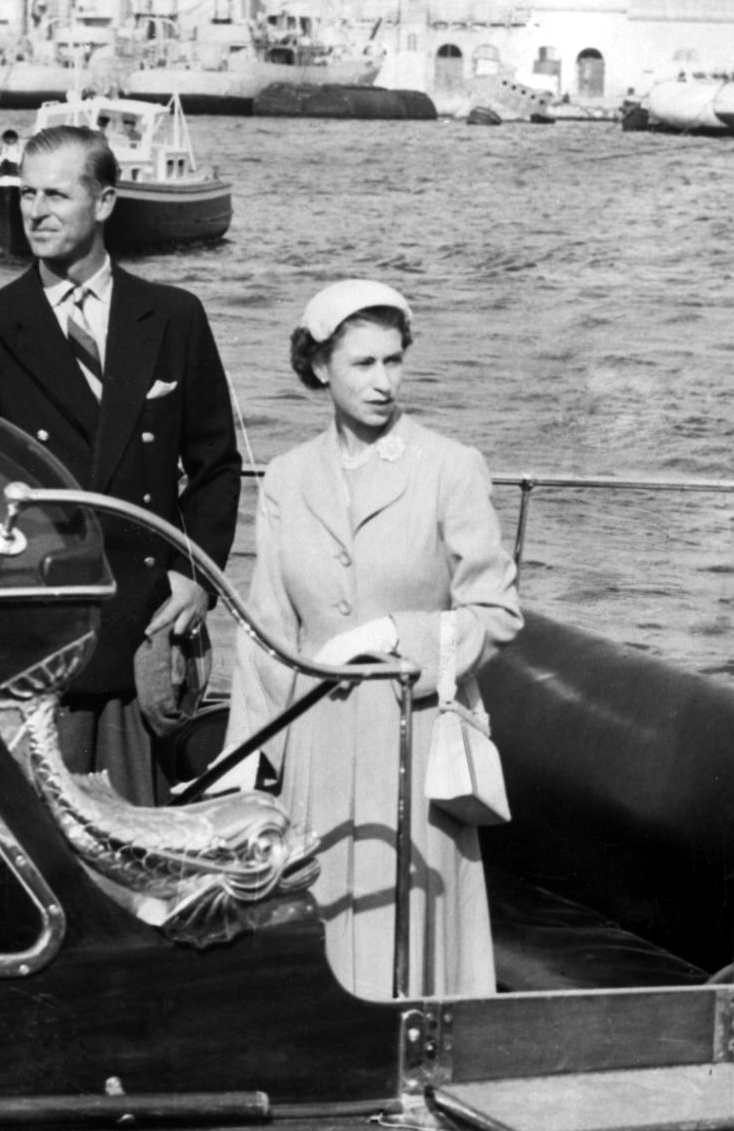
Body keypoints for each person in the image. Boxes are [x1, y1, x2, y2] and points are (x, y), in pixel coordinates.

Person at [221, 279, 522, 1002]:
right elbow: (267, 633)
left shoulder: (450, 467)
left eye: (394, 360)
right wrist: (243, 760)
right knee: (324, 924)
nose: (384, 382)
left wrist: (400, 634)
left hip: (413, 746)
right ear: (320, 367)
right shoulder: (288, 478)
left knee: (409, 942)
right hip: (316, 748)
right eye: (363, 364)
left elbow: (498, 612)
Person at [0, 124, 241, 806]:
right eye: (26, 195)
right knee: (38, 841)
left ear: (103, 201)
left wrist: (196, 578)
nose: (36, 211)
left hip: (144, 635)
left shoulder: (173, 318)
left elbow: (216, 463)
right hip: (35, 634)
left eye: (56, 194)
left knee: (141, 848)